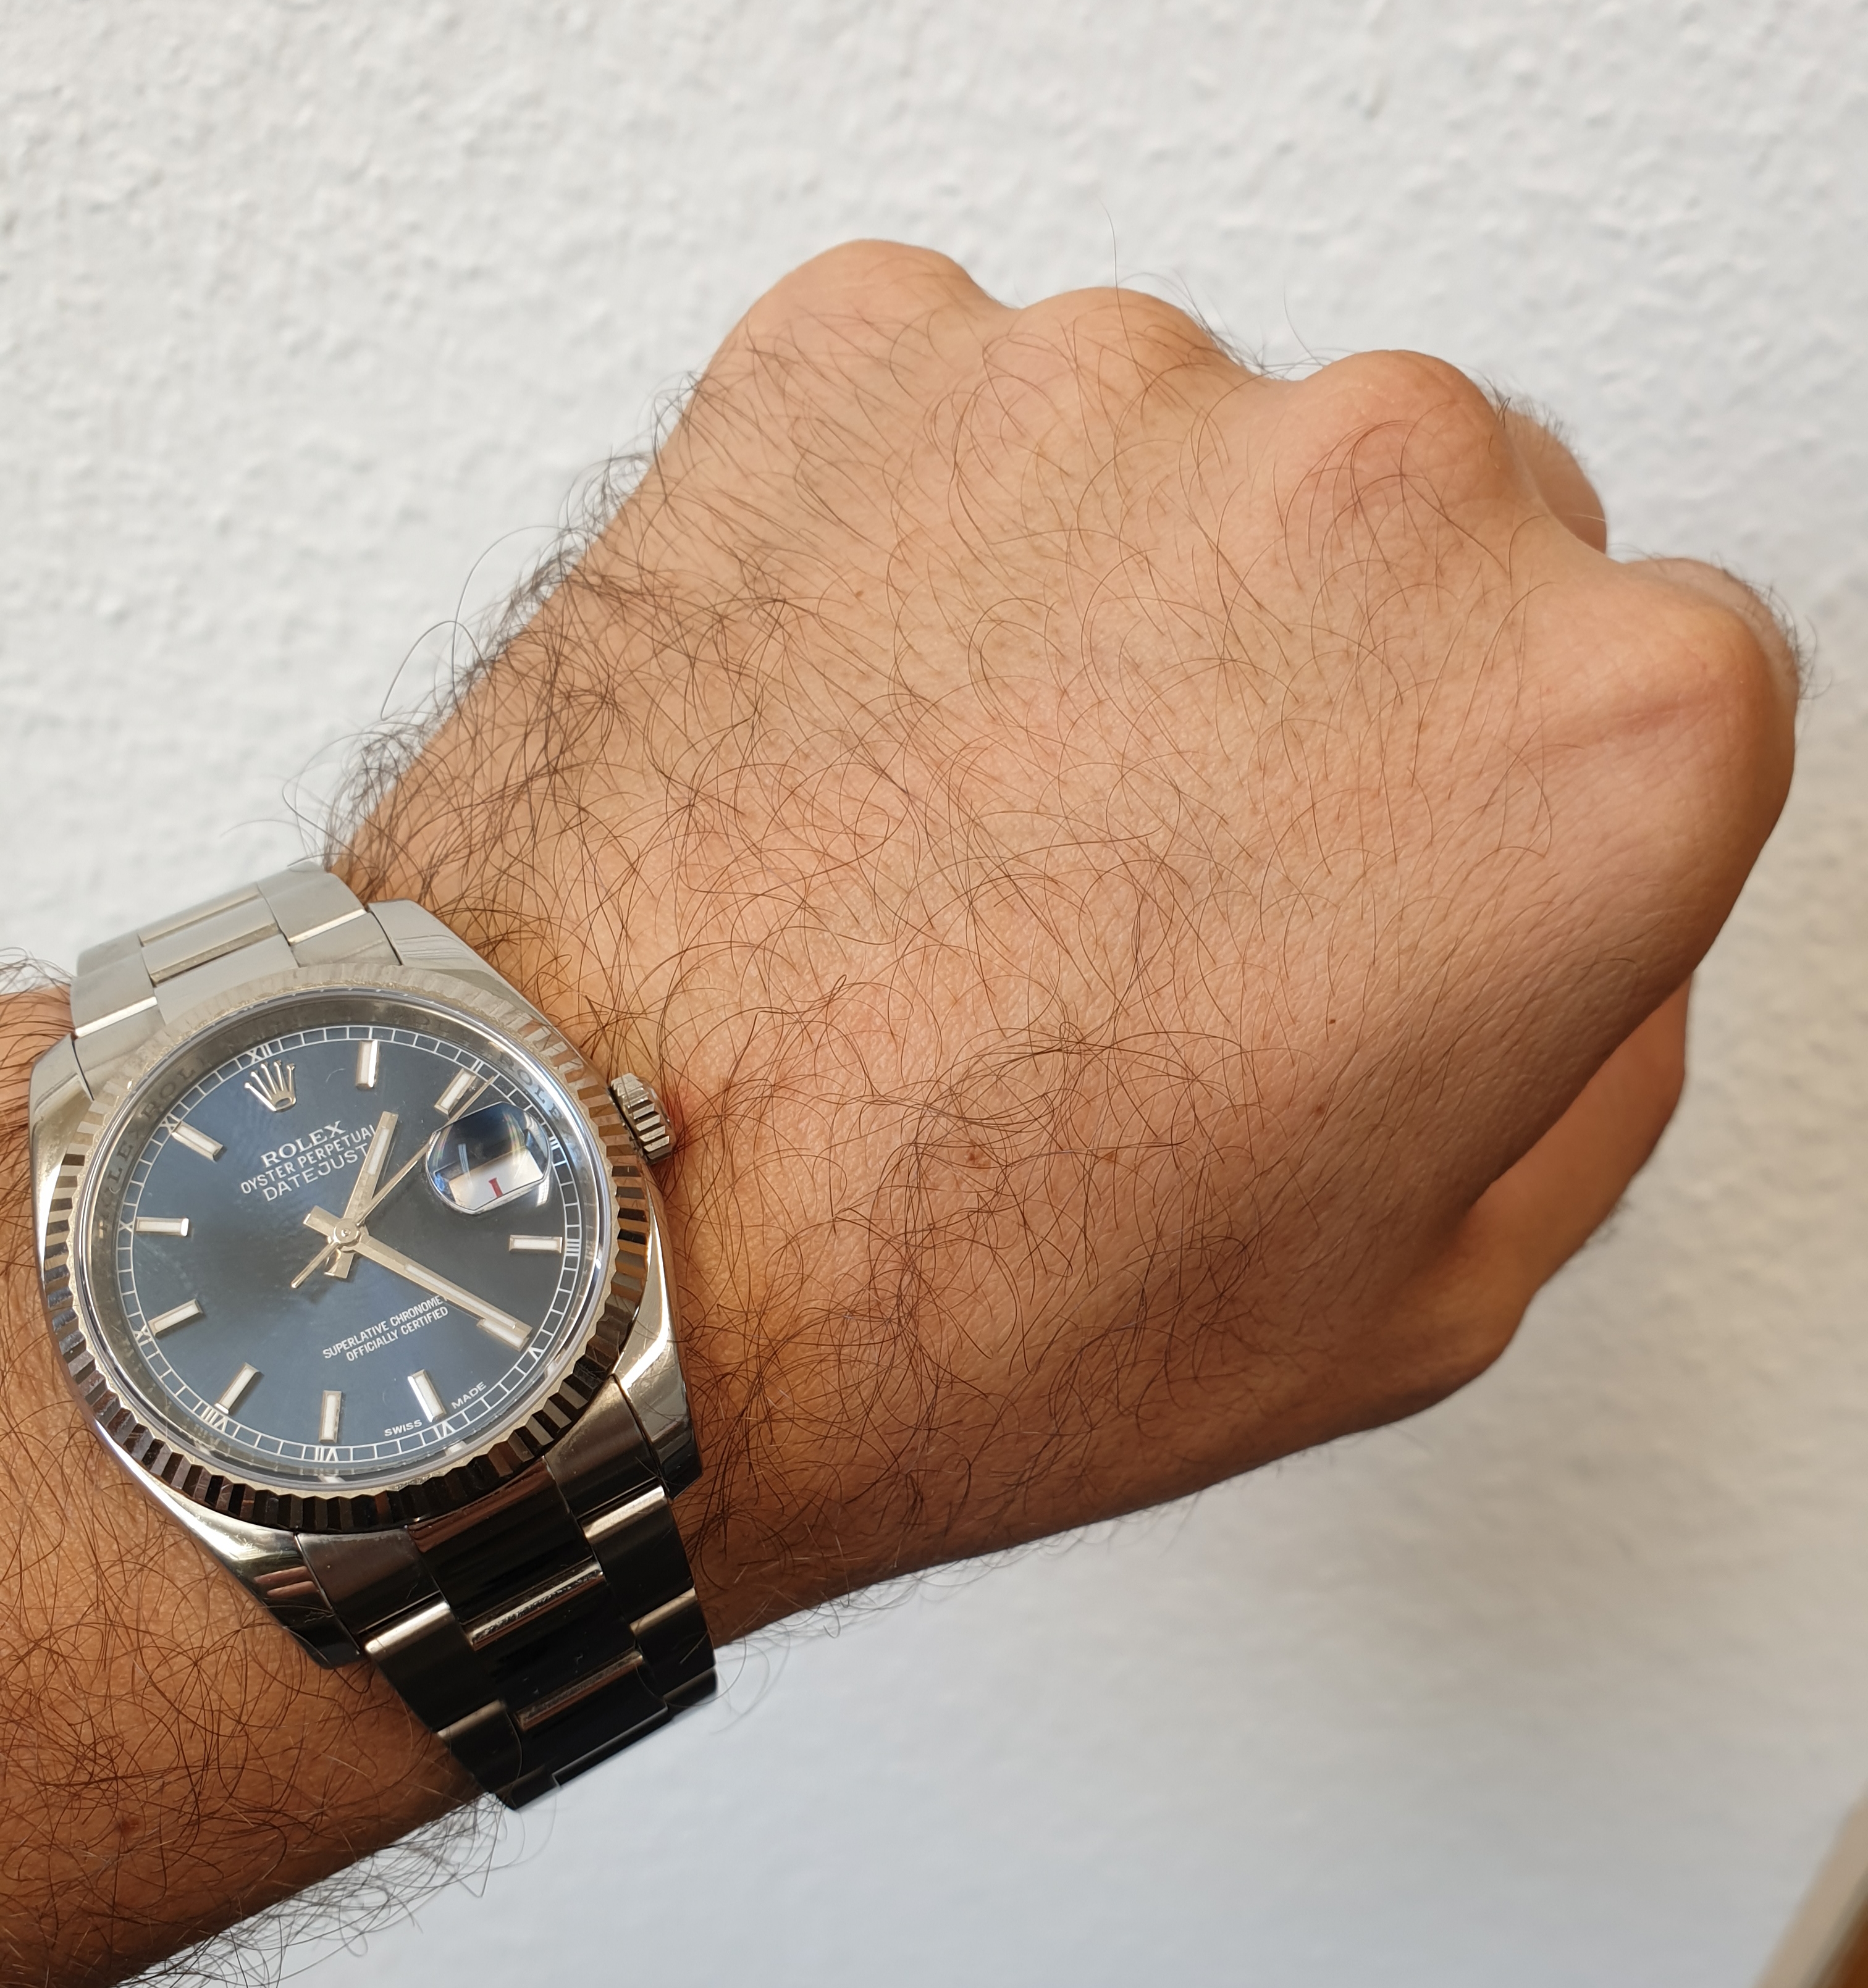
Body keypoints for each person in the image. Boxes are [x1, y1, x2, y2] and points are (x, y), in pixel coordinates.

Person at [0, 242, 1799, 1987]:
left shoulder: (367, 1153)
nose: (335, 1234)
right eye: (328, 1236)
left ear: (616, 1123)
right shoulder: (132, 1268)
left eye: (341, 1217)